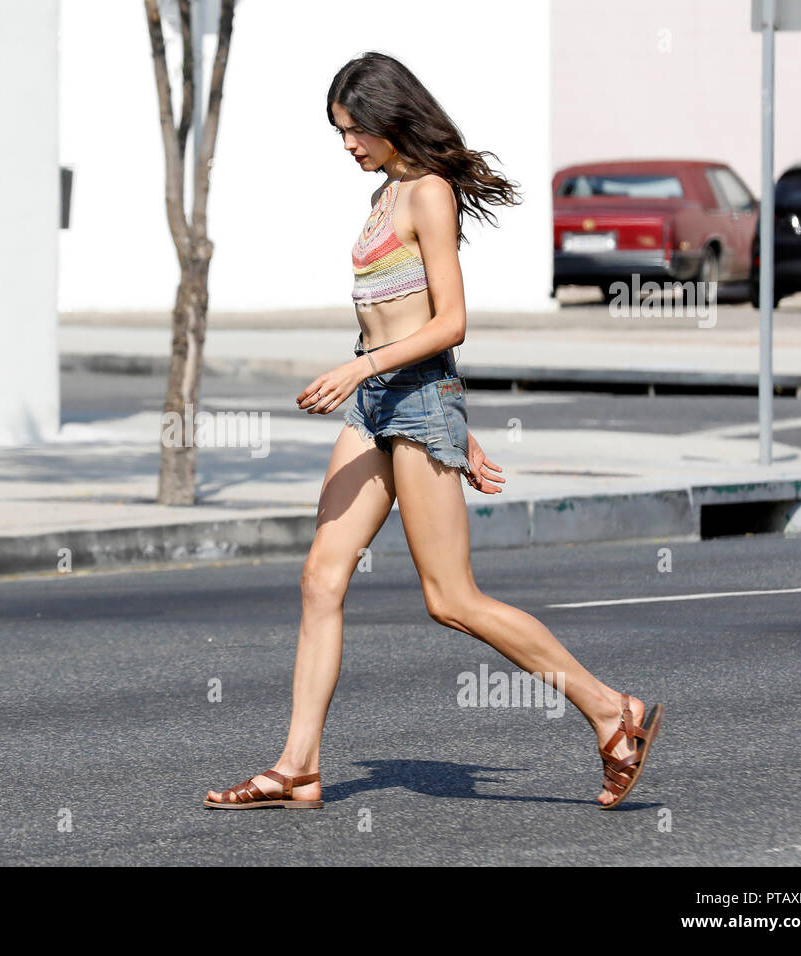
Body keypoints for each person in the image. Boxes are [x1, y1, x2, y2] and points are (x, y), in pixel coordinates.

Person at [204, 52, 662, 812]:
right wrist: (394, 391)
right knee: (321, 578)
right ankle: (298, 767)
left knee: (451, 599)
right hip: (379, 404)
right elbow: (404, 322)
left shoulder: (429, 194)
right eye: (339, 133)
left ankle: (613, 710)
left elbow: (451, 321)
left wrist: (387, 386)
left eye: (353, 131)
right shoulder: (384, 193)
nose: (346, 145)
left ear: (388, 120)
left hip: (409, 401)